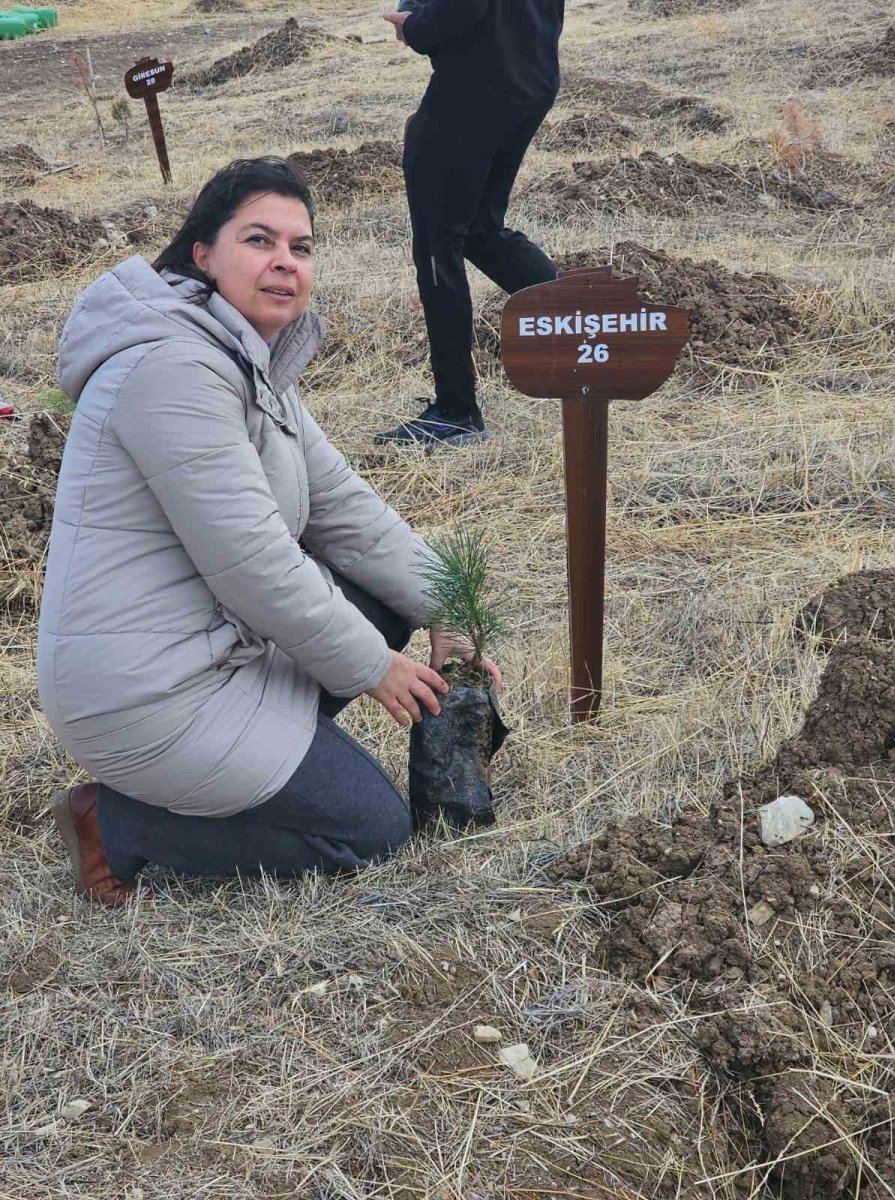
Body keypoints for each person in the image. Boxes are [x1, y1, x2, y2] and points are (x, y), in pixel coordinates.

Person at [38, 156, 501, 906]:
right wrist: (372, 667)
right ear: (203, 255)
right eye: (260, 240)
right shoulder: (172, 372)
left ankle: (277, 757)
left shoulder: (245, 363)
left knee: (391, 599)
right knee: (371, 832)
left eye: (301, 246)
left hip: (213, 648)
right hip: (146, 692)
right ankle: (116, 821)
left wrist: (451, 605)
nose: (285, 261)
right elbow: (250, 563)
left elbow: (346, 509)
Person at [375, 0, 565, 448]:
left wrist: (417, 26)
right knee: (479, 228)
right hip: (528, 76)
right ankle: (585, 326)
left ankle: (455, 411)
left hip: (473, 86)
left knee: (439, 242)